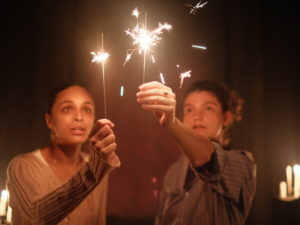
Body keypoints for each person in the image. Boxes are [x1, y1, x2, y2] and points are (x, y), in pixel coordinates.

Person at [136, 80, 256, 225]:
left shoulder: (242, 163)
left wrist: (171, 123)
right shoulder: (173, 172)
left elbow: (208, 159)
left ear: (226, 118)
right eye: (189, 110)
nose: (197, 116)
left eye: (208, 108)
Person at [6, 84, 120, 225]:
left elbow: (98, 220)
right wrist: (93, 171)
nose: (79, 117)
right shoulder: (22, 166)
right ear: (49, 120)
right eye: (67, 109)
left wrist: (97, 168)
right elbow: (36, 217)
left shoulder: (95, 165)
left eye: (86, 109)